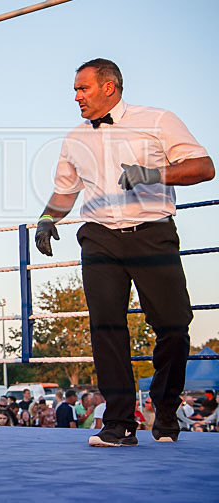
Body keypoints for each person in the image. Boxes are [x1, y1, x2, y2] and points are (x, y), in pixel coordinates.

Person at [35, 58, 214, 447]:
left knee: (172, 326)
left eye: (83, 89)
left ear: (109, 87)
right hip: (99, 237)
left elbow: (203, 167)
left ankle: (165, 411)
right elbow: (66, 190)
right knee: (105, 328)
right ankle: (119, 422)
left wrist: (152, 174)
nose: (77, 97)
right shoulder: (74, 139)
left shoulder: (158, 120)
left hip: (152, 234)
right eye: (75, 90)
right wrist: (47, 219)